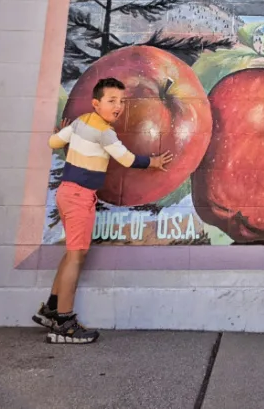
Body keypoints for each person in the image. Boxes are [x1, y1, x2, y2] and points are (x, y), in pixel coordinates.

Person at [32, 77, 172, 344]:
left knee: (72, 253)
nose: (118, 106)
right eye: (111, 101)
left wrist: (66, 134)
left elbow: (53, 143)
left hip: (66, 193)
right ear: (97, 103)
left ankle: (51, 308)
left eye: (121, 101)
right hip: (79, 198)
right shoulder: (105, 132)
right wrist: (152, 162)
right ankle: (64, 323)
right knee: (77, 257)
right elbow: (126, 159)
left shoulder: (80, 121)